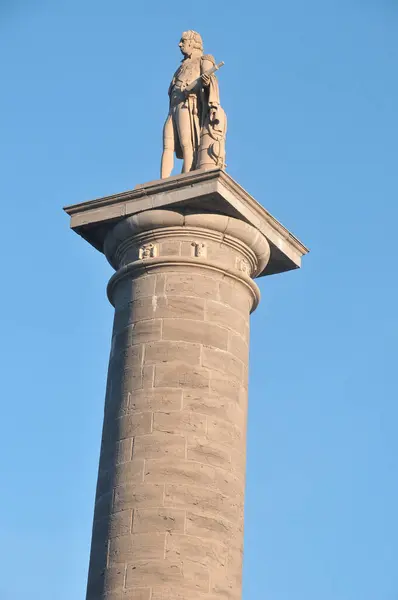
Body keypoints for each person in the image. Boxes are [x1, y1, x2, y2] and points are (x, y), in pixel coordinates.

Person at [161, 30, 221, 178]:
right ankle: (163, 180)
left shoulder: (204, 59)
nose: (180, 44)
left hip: (188, 106)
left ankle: (186, 176)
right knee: (168, 145)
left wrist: (206, 82)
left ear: (192, 43)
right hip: (174, 108)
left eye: (183, 41)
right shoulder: (180, 68)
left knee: (187, 144)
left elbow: (210, 79)